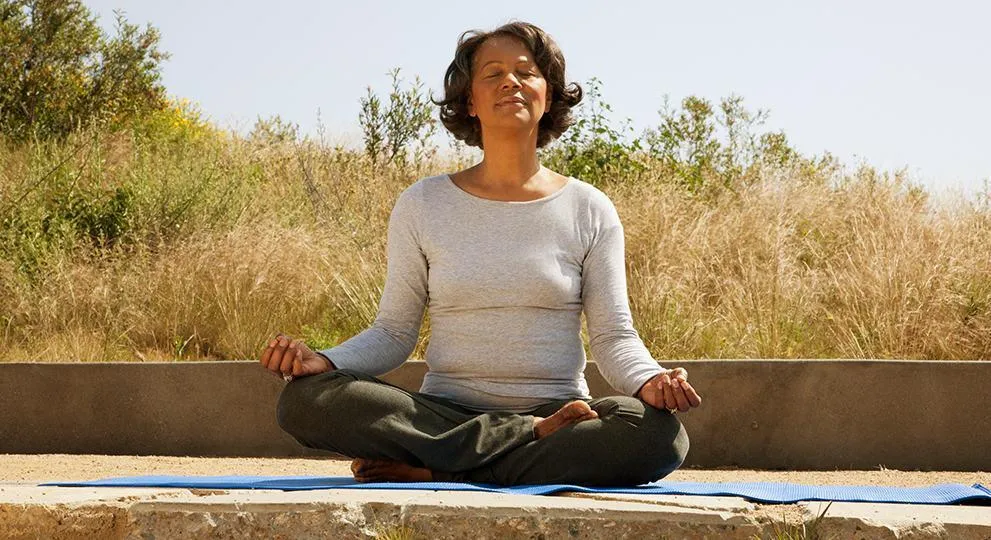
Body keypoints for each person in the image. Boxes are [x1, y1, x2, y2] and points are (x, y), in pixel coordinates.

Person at [260, 20, 701, 487]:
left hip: (555, 410)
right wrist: (325, 362)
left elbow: (613, 337)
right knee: (304, 401)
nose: (510, 81)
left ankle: (438, 469)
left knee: (658, 435)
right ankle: (517, 442)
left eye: (526, 72)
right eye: (492, 73)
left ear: (547, 95)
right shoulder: (425, 203)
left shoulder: (589, 208)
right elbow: (392, 332)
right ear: (469, 100)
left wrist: (650, 380)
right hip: (444, 413)